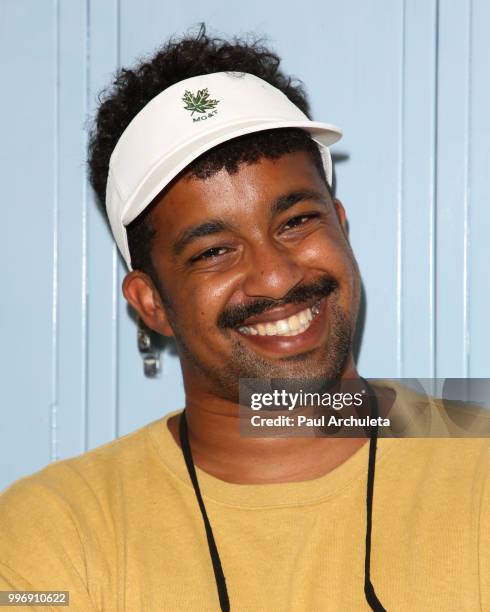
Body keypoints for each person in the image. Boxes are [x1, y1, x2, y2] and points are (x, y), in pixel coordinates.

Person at [0, 27, 489, 612]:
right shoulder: (56, 534)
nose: (278, 277)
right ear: (150, 301)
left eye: (296, 221)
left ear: (340, 223)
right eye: (213, 252)